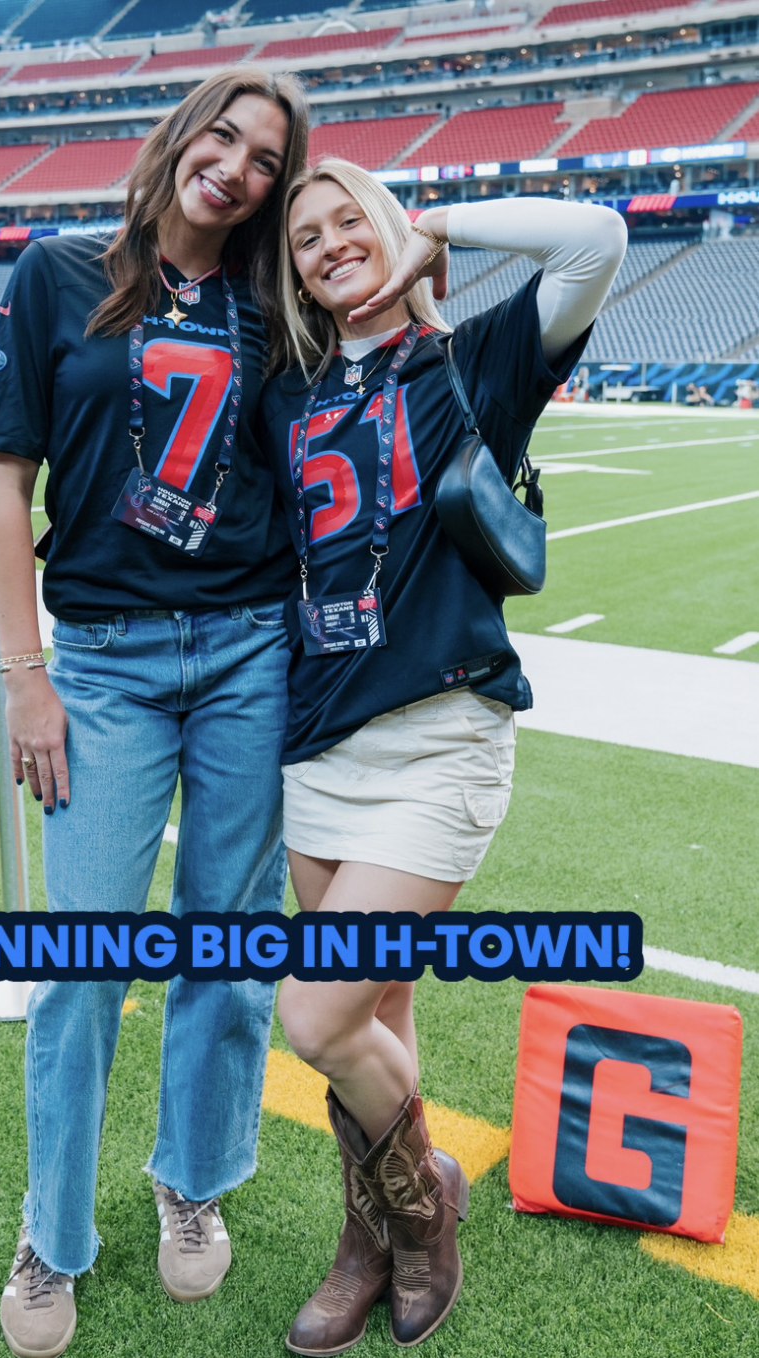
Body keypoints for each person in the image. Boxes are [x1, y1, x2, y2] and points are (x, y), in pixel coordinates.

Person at [0, 67, 309, 1358]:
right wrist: (25, 674)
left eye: (267, 158)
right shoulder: (60, 271)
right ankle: (51, 1230)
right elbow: (7, 482)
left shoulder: (276, 302)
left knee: (230, 951)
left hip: (250, 652)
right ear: (178, 139)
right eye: (222, 136)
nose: (236, 166)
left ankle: (191, 1177)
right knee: (81, 962)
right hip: (99, 663)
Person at [258, 160, 626, 1354]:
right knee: (381, 1005)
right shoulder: (289, 392)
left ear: (386, 222)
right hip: (316, 749)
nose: (325, 245)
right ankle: (367, 1235)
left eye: (343, 219)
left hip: (438, 742)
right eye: (304, 238)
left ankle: (423, 1215)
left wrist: (433, 227)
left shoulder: (471, 360)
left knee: (315, 1017)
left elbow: (593, 237)